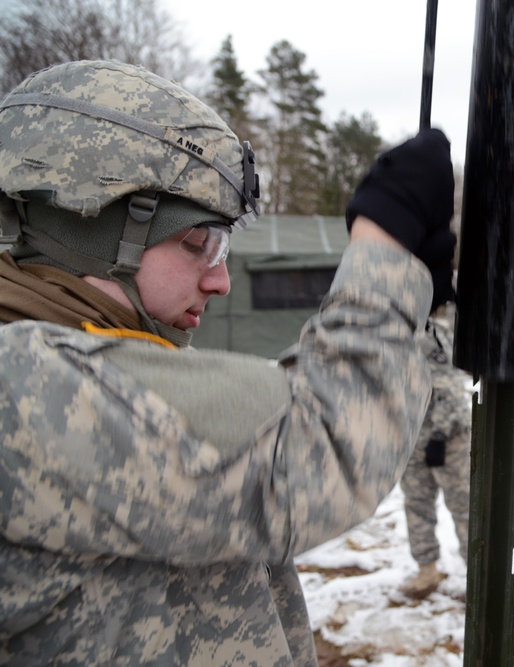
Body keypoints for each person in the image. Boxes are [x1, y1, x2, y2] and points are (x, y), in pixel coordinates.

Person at [0, 59, 456, 666]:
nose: (219, 280)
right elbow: (320, 445)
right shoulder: (25, 384)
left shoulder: (89, 360)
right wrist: (384, 248)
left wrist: (411, 302)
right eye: (199, 243)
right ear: (94, 230)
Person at [398, 302, 472, 599]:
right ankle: (426, 570)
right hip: (410, 436)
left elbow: (449, 388)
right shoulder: (392, 336)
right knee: (416, 504)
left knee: (465, 507)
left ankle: (478, 579)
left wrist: (440, 435)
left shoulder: (427, 334)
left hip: (447, 436)